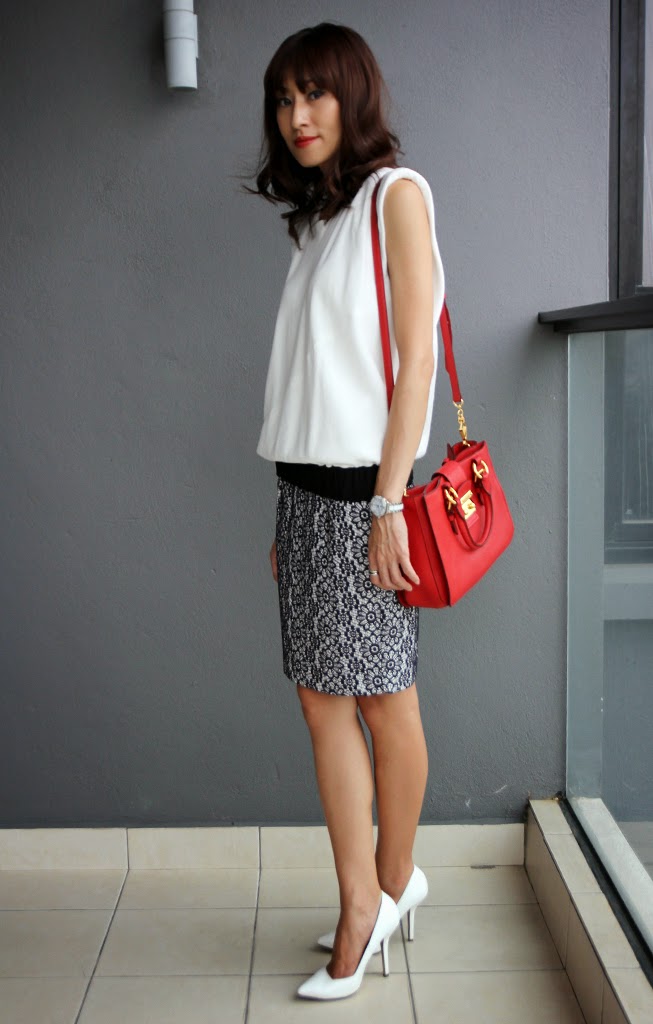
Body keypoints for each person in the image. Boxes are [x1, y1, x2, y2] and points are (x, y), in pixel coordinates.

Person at [252, 22, 445, 1001]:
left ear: (352, 96)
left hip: (366, 497)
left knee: (382, 699)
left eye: (315, 93)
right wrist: (286, 517)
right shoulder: (316, 221)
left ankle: (387, 885)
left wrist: (384, 503)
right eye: (284, 98)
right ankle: (362, 894)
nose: (297, 115)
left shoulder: (393, 196)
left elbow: (416, 364)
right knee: (321, 701)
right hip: (306, 497)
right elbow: (312, 384)